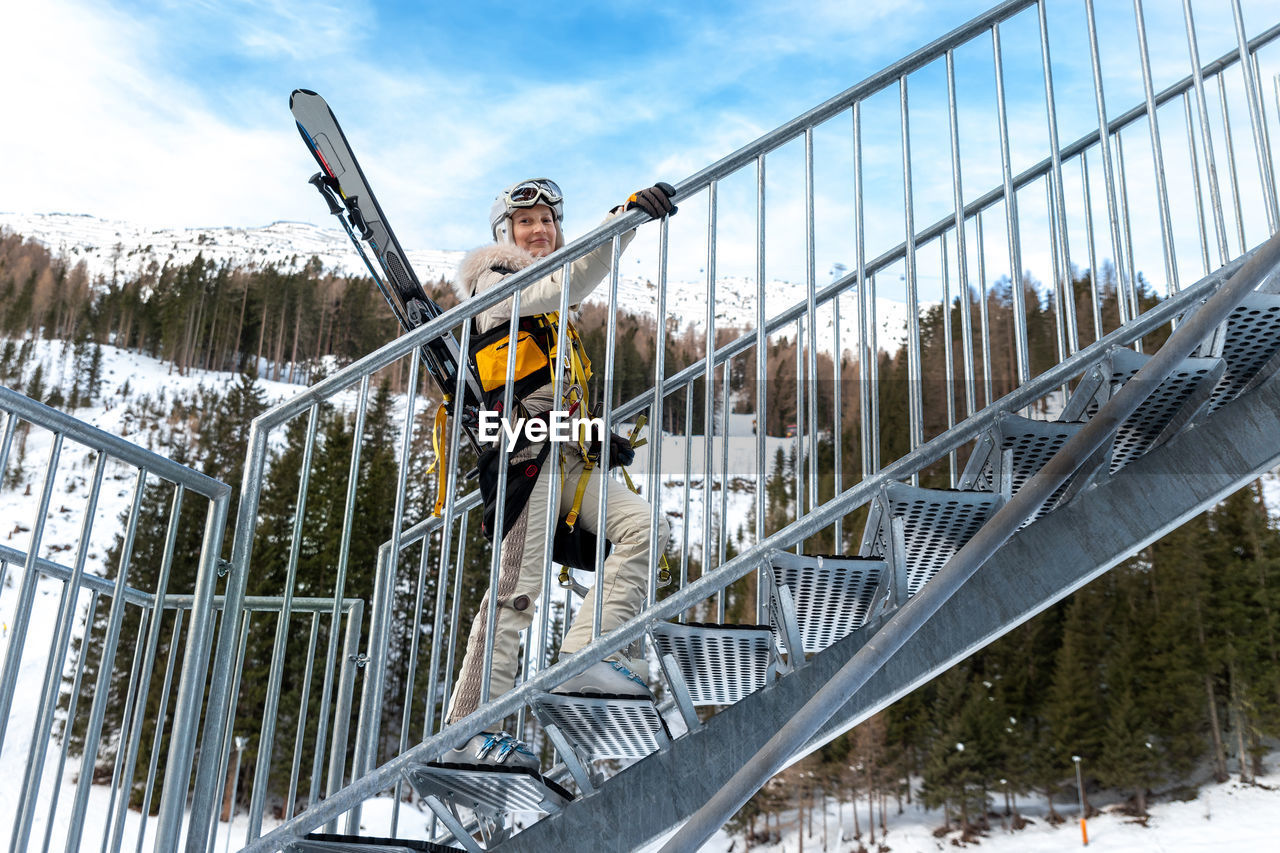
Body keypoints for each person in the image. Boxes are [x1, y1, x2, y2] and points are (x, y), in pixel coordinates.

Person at [441, 178, 677, 771]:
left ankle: (584, 661)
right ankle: (466, 734)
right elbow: (567, 280)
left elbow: (549, 392)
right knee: (515, 595)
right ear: (506, 235)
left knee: (645, 529)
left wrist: (598, 435)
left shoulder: (554, 309)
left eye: (547, 219)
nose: (539, 229)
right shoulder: (495, 283)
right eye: (526, 222)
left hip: (562, 453)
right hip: (521, 456)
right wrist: (621, 224)